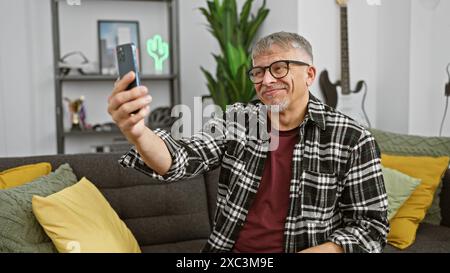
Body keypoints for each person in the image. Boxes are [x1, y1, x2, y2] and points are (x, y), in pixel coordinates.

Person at [107, 31, 389, 253]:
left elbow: (371, 228)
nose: (266, 80)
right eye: (258, 72)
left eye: (279, 68)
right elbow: (180, 160)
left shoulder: (353, 139)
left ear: (309, 75)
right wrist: (138, 131)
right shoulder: (236, 121)